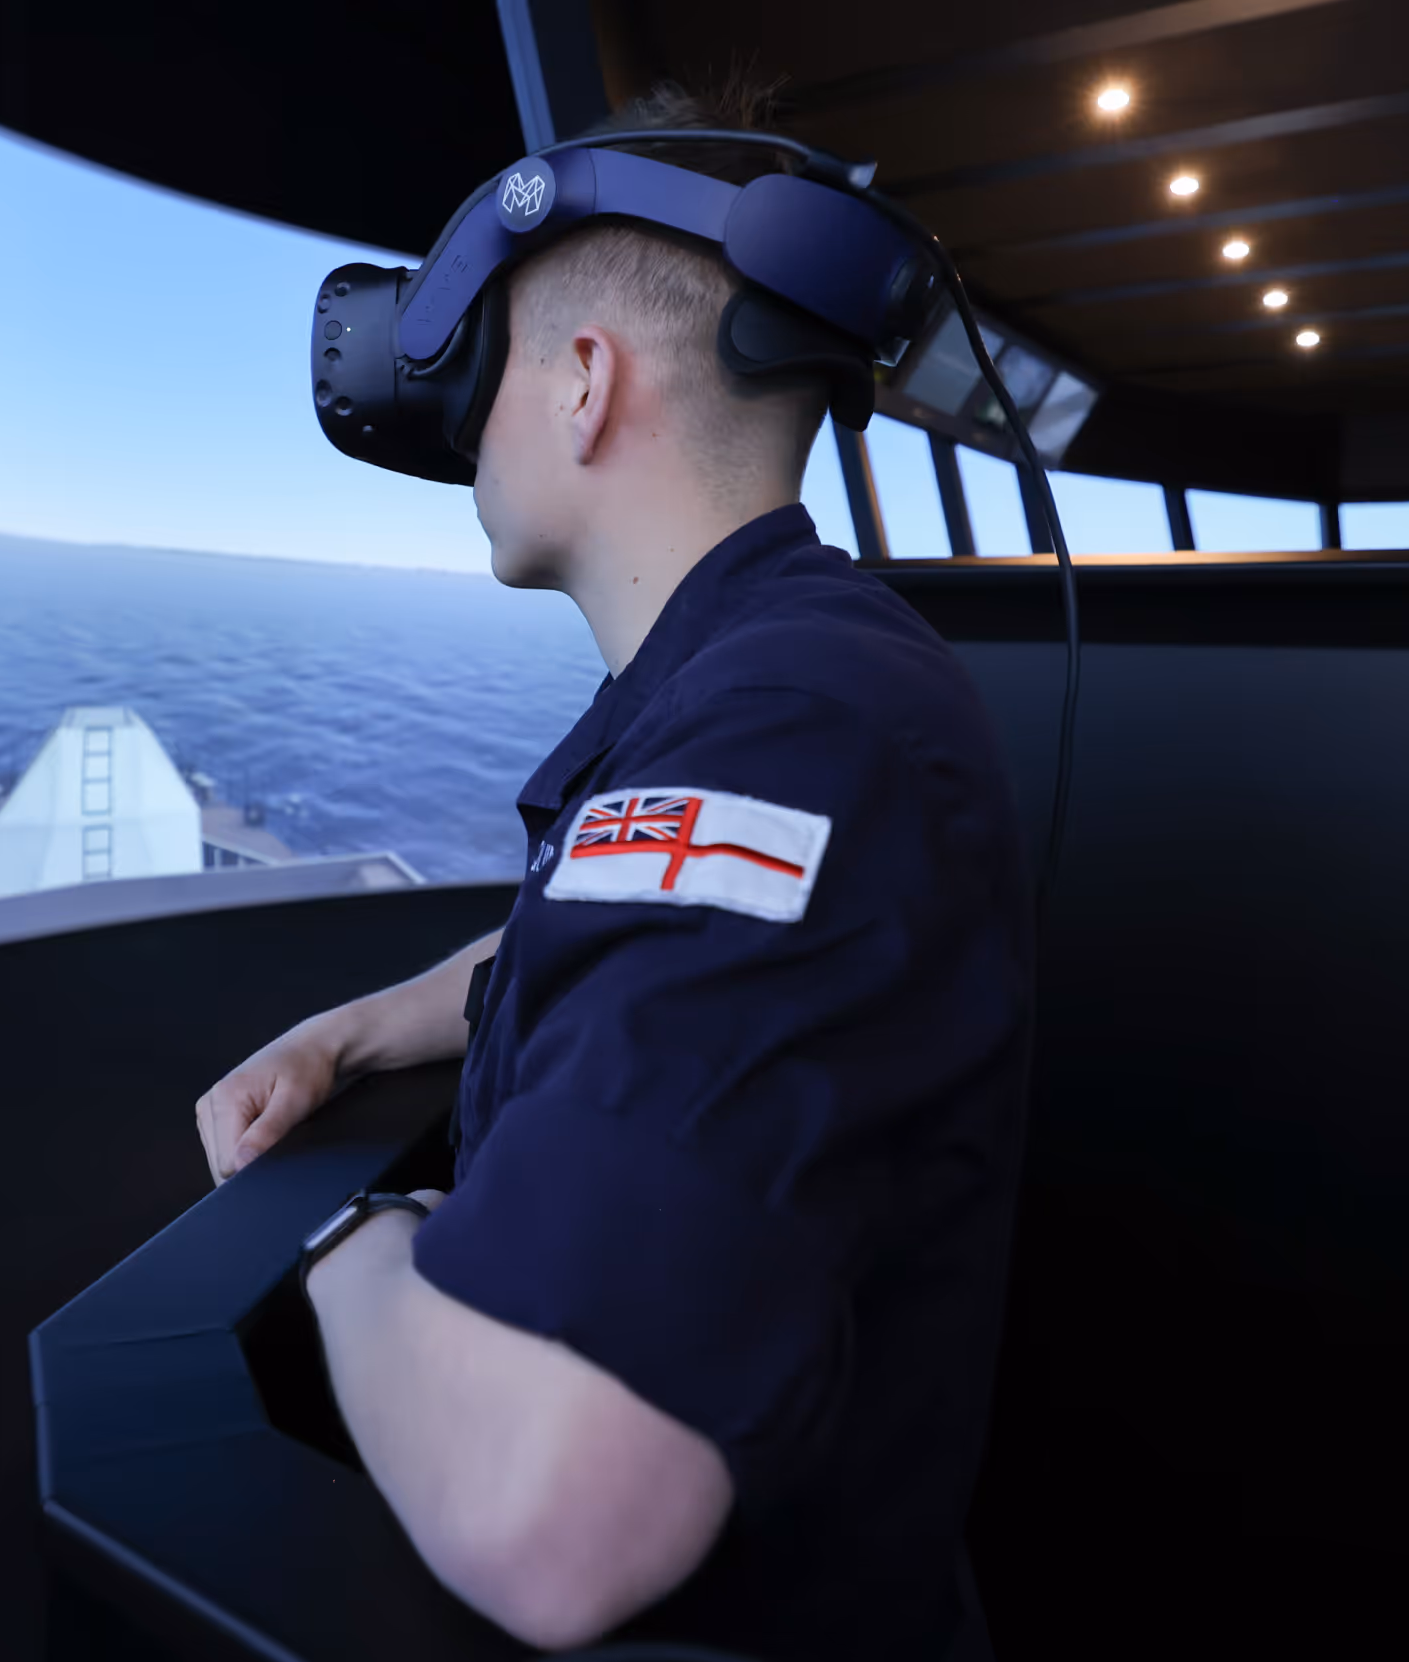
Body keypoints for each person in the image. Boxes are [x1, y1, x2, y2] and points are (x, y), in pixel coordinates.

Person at [192, 83, 1030, 1660]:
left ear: (583, 383)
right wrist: (359, 1031)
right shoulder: (776, 679)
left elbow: (547, 1513)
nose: (469, 429)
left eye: (490, 373)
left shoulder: (788, 733)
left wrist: (348, 1243)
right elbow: (596, 935)